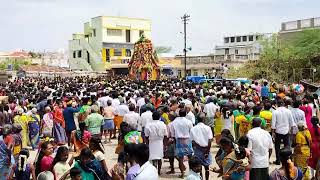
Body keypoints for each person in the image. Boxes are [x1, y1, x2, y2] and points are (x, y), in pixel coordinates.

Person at [272, 99, 296, 165]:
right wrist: (291, 131)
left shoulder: (275, 112)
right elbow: (292, 123)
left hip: (278, 131)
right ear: (283, 104)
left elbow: (273, 124)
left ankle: (278, 160)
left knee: (277, 147)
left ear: (277, 104)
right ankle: (287, 160)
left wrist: (273, 133)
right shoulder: (288, 111)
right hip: (286, 131)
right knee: (287, 146)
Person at [170, 109, 193, 178]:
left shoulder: (175, 121)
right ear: (185, 114)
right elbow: (191, 131)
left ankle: (182, 173)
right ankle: (191, 172)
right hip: (187, 139)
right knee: (190, 157)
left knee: (180, 158)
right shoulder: (188, 122)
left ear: (179, 114)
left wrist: (174, 138)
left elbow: (172, 131)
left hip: (179, 140)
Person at [190, 112, 213, 180]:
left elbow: (193, 141)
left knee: (198, 166)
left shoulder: (193, 129)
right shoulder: (208, 128)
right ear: (204, 120)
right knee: (207, 167)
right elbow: (210, 140)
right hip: (206, 149)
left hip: (197, 149)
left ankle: (200, 178)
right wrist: (207, 151)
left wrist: (198, 146)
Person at [144, 111, 168, 175]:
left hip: (151, 142)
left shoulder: (148, 124)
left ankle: (153, 171)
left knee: (152, 158)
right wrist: (165, 145)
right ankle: (159, 171)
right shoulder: (163, 124)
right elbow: (165, 136)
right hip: (160, 142)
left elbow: (146, 136)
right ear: (159, 117)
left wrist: (146, 144)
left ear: (152, 117)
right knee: (159, 158)